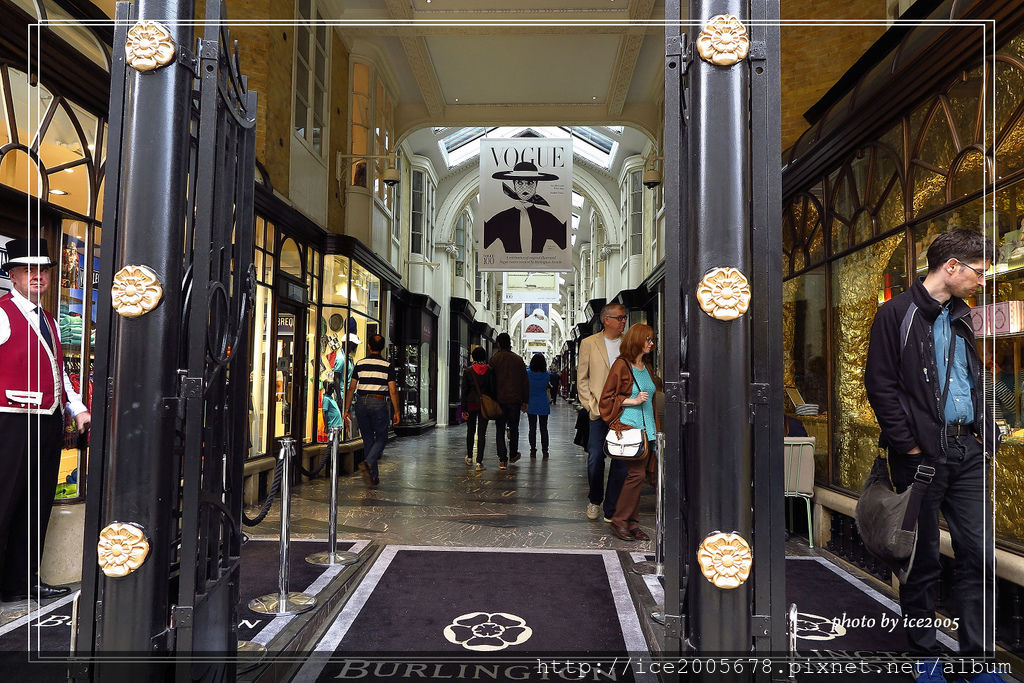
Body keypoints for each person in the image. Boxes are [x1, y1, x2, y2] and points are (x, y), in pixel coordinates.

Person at [865, 229, 1004, 683]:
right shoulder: (896, 313)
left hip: (968, 450)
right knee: (921, 561)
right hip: (921, 458)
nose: (983, 281)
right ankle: (924, 657)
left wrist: (986, 428)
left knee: (979, 556)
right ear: (951, 267)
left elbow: (974, 377)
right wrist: (908, 444)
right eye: (979, 272)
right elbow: (880, 385)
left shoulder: (964, 316)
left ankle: (977, 662)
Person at [0, 238, 88, 603]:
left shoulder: (50, 319)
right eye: (28, 271)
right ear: (13, 276)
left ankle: (21, 581)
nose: (38, 277)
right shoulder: (2, 313)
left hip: (47, 422)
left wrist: (77, 407)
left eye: (43, 271)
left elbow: (58, 371)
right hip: (10, 422)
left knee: (35, 505)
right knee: (4, 502)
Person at [599, 324, 659, 542]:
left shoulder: (647, 367)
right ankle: (620, 520)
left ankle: (631, 524)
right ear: (636, 341)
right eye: (647, 339)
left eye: (652, 339)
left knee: (638, 477)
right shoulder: (621, 365)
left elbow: (652, 395)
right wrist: (632, 401)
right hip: (629, 427)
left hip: (647, 429)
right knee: (636, 475)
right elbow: (607, 398)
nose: (651, 343)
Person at [576, 303, 629, 521]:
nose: (623, 321)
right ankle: (595, 499)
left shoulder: (628, 343)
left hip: (624, 411)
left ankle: (611, 507)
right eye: (619, 318)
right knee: (595, 456)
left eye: (624, 317)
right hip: (598, 410)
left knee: (621, 459)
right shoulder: (589, 343)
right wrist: (590, 404)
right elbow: (582, 378)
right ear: (606, 320)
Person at [343, 334, 400, 486]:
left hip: (361, 403)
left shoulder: (360, 364)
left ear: (368, 346)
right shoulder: (387, 366)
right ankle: (368, 462)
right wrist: (397, 411)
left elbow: (351, 388)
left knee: (368, 439)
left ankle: (373, 476)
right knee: (382, 437)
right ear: (382, 348)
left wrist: (346, 409)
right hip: (378, 403)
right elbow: (393, 390)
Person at [483, 162, 568, 254]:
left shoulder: (546, 218)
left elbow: (564, 241)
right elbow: (483, 239)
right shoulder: (501, 219)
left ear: (536, 185)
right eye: (520, 183)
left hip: (539, 263)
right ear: (514, 185)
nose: (524, 188)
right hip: (509, 263)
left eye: (530, 183)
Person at [489, 332, 529, 470]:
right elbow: (524, 382)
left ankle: (502, 460)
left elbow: (491, 381)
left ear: (498, 344)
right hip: (515, 401)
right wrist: (525, 400)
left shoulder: (494, 359)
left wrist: (491, 398)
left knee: (500, 429)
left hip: (499, 401)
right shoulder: (518, 360)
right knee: (514, 428)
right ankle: (513, 455)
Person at [460, 347, 496, 471]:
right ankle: (479, 462)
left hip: (471, 404)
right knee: (482, 433)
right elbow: (492, 389)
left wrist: (463, 408)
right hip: (484, 405)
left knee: (470, 430)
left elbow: (464, 391)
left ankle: (470, 457)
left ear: (473, 357)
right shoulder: (490, 371)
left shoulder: (468, 371)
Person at [526, 353, 551, 459]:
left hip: (531, 403)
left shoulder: (528, 373)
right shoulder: (547, 374)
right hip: (543, 403)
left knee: (532, 428)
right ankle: (545, 451)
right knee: (544, 428)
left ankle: (533, 450)